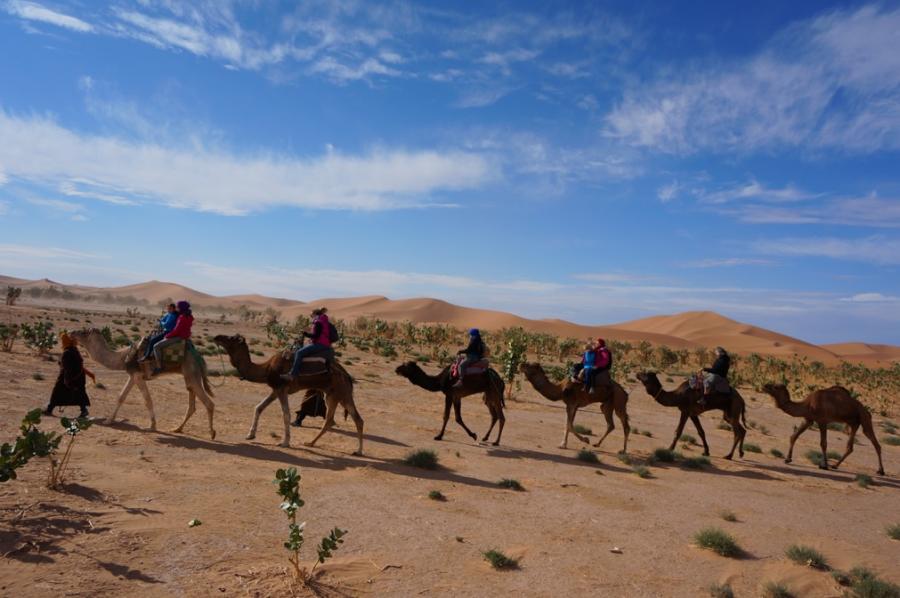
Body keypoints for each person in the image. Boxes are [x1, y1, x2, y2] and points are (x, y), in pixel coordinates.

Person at [46, 332, 94, 418]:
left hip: (68, 377)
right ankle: (84, 410)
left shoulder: (67, 352)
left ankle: (49, 409)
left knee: (57, 392)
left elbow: (67, 368)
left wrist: (67, 380)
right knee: (79, 393)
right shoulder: (75, 350)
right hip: (79, 376)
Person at [280, 308, 333, 382]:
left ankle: (292, 374)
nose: (310, 315)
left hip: (320, 344)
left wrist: (305, 334)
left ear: (315, 314)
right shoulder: (323, 321)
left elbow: (316, 336)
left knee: (299, 352)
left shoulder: (318, 322)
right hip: (323, 343)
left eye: (311, 314)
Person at [151, 300, 193, 375]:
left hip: (179, 336)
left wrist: (167, 336)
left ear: (181, 308)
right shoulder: (189, 316)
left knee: (156, 346)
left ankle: (159, 367)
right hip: (186, 336)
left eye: (178, 307)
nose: (176, 308)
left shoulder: (182, 317)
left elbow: (176, 330)